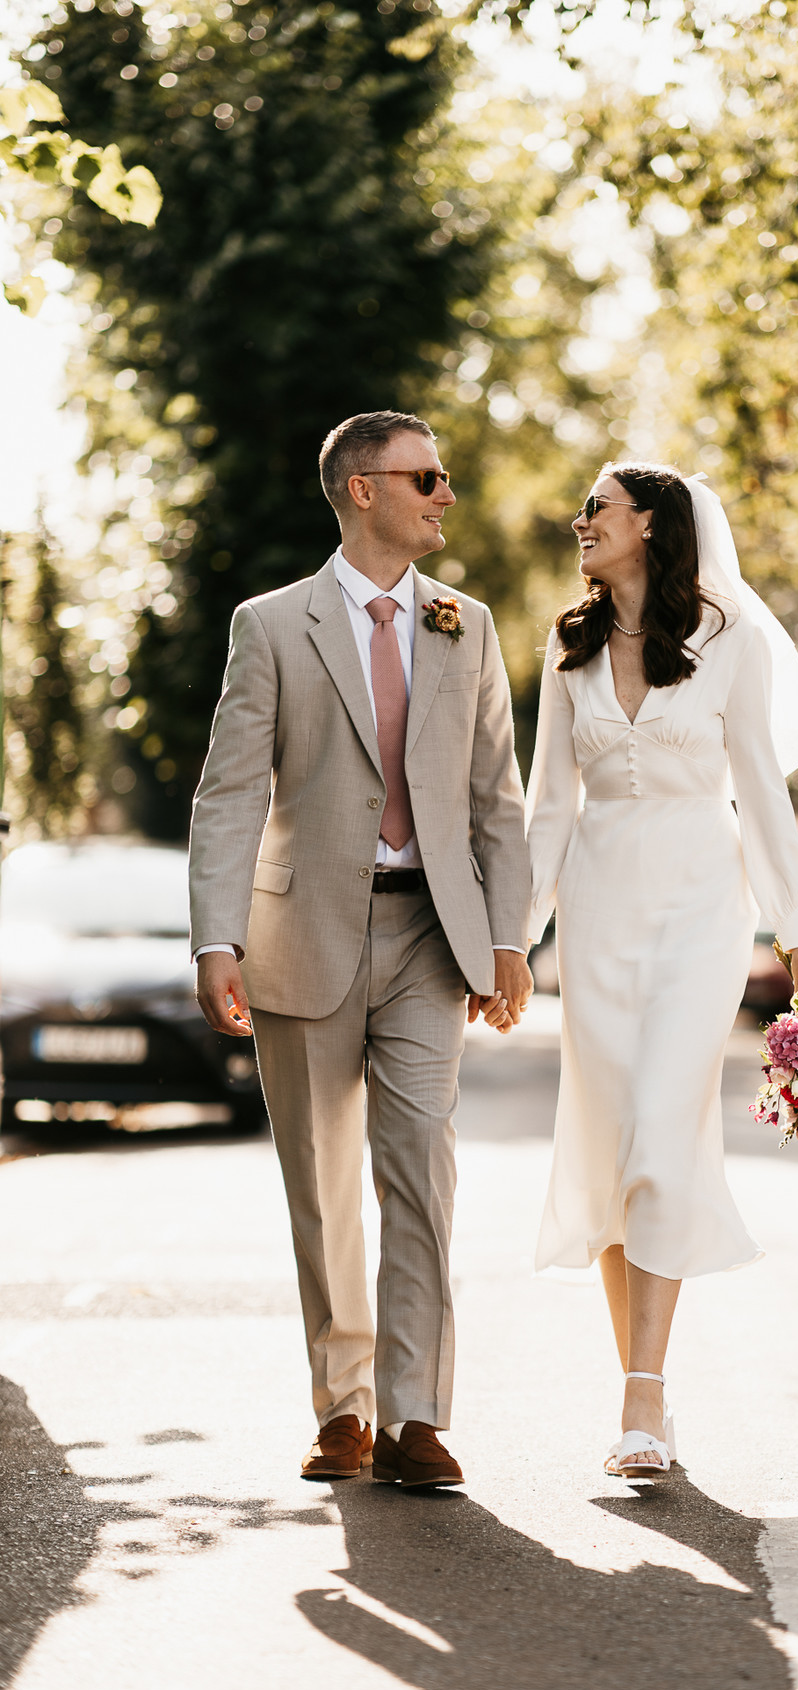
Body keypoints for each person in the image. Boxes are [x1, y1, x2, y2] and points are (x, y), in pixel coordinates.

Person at [189, 409, 533, 1488]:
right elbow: (233, 788)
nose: (446, 493)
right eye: (427, 476)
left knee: (421, 1172)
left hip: (434, 935)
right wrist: (217, 934)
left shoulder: (463, 624)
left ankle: (415, 1414)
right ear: (361, 489)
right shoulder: (272, 624)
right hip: (304, 932)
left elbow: (496, 799)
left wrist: (512, 935)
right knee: (324, 1183)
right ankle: (341, 1407)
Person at [525, 462, 798, 1476]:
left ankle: (643, 1398)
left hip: (702, 909)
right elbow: (547, 810)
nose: (582, 523)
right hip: (598, 909)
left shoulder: (729, 640)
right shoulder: (567, 649)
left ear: (649, 525)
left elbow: (762, 794)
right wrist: (513, 940)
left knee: (663, 1126)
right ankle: (644, 1401)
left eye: (598, 509)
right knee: (616, 1146)